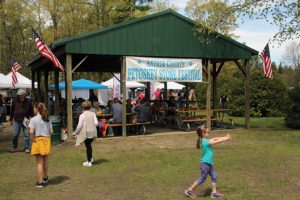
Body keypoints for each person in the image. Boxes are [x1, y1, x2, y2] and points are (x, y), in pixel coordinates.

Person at [184, 125, 231, 199]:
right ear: (203, 133)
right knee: (202, 178)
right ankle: (189, 190)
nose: (209, 133)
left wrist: (225, 137)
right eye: (208, 132)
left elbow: (215, 138)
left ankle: (214, 193)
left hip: (209, 163)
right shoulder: (205, 142)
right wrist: (226, 139)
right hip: (205, 163)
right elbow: (216, 141)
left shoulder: (204, 140)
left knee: (214, 176)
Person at [28, 103, 53, 188]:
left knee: (39, 162)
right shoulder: (47, 118)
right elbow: (51, 132)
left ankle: (40, 181)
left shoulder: (33, 119)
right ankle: (45, 177)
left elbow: (31, 132)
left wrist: (32, 139)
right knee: (45, 160)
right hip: (46, 140)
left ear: (36, 109)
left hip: (38, 140)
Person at [72, 101, 98, 167]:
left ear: (83, 107)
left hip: (86, 132)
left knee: (88, 146)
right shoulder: (93, 114)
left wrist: (75, 132)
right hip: (92, 131)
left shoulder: (82, 115)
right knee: (89, 146)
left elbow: (79, 125)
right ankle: (90, 159)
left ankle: (89, 162)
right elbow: (96, 123)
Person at [10, 89, 34, 153]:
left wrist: (33, 119)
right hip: (16, 120)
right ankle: (14, 147)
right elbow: (12, 111)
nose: (19, 96)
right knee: (15, 135)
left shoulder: (28, 101)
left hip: (25, 120)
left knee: (26, 135)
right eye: (18, 95)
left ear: (24, 95)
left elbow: (31, 111)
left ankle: (27, 148)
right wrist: (10, 119)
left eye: (20, 95)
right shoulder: (14, 101)